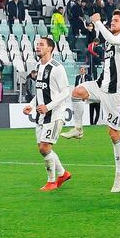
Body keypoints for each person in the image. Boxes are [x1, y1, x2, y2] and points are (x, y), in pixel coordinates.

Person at [69, 11, 120, 193]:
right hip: (100, 85)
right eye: (112, 20)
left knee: (113, 134)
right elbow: (103, 40)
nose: (112, 22)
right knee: (76, 92)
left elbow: (112, 41)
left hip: (114, 92)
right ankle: (78, 128)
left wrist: (98, 23)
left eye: (116, 20)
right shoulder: (109, 38)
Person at [23, 37, 72, 191]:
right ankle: (63, 173)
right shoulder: (39, 66)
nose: (38, 47)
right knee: (43, 149)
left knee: (44, 148)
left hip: (55, 114)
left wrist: (48, 106)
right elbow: (40, 91)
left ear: (50, 48)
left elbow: (66, 91)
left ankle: (51, 182)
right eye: (37, 45)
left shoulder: (57, 68)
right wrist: (31, 105)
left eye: (41, 45)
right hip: (41, 116)